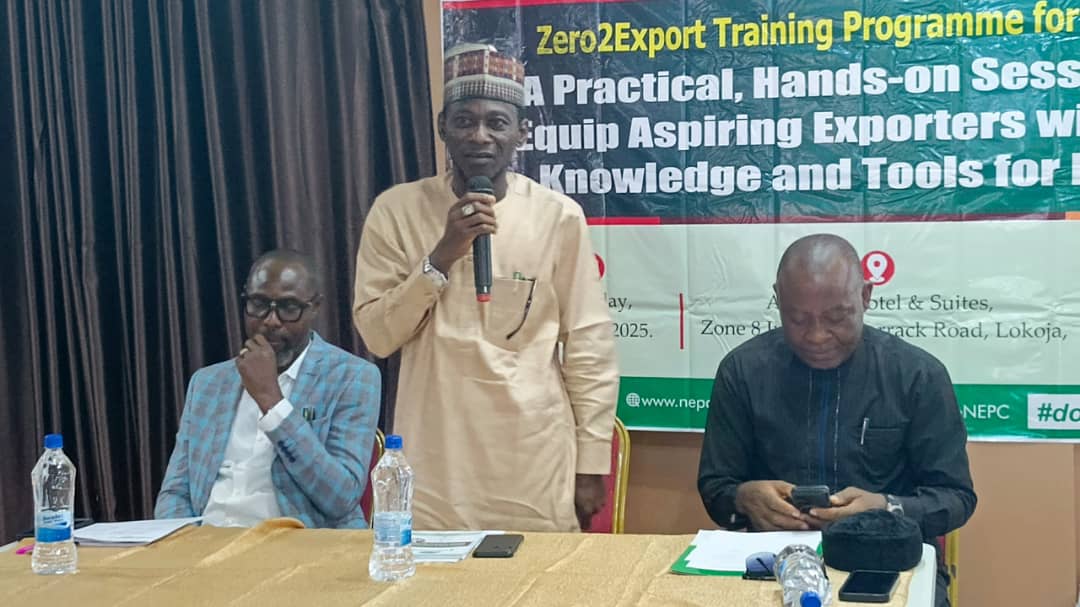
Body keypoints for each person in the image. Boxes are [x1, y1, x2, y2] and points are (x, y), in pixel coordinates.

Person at [353, 44, 618, 532]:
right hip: (437, 461)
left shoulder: (558, 217)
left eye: (497, 122)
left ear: (522, 132)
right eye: (464, 121)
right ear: (442, 128)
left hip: (533, 460)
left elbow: (589, 347)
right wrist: (441, 256)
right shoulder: (396, 212)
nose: (480, 136)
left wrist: (591, 463)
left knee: (538, 575)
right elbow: (377, 335)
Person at [697, 234, 975, 606]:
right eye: (797, 319)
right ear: (778, 299)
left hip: (885, 562)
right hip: (775, 564)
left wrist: (887, 508)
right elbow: (716, 486)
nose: (816, 336)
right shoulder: (743, 372)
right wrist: (743, 499)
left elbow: (956, 497)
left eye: (836, 317)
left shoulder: (917, 376)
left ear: (865, 296)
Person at [156, 249, 380, 528]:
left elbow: (341, 497)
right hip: (208, 540)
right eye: (259, 303)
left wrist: (272, 402)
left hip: (297, 542)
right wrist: (186, 541)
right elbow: (175, 492)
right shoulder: (207, 383)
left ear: (315, 307)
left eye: (289, 307)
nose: (271, 320)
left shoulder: (352, 377)